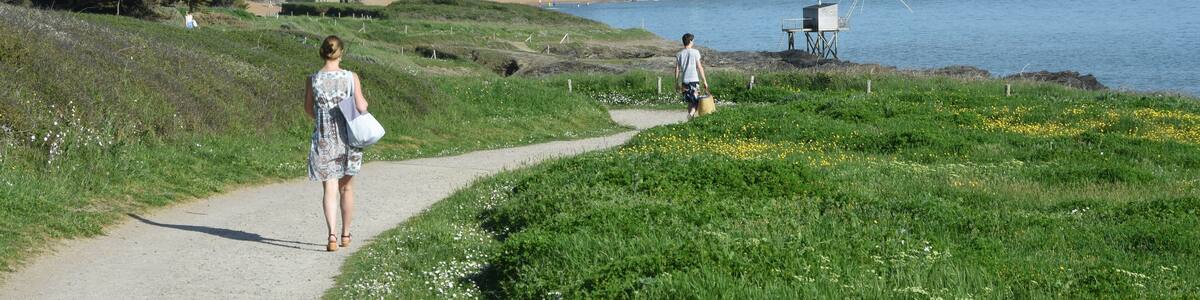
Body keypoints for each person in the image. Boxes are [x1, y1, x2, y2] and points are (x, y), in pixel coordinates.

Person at [305, 35, 369, 252]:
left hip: (324, 137)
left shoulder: (313, 79)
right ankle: (345, 234)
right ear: (341, 53)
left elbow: (308, 109)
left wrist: (323, 116)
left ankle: (331, 235)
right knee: (347, 188)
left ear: (322, 52)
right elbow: (361, 106)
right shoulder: (351, 77)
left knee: (329, 188)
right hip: (349, 138)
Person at [675, 33, 709, 119]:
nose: (693, 42)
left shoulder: (679, 54)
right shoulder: (695, 52)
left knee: (690, 102)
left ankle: (691, 120)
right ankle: (691, 115)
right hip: (693, 80)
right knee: (697, 101)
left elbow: (677, 69)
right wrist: (704, 80)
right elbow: (699, 67)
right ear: (690, 41)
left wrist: (676, 82)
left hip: (684, 81)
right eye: (693, 40)